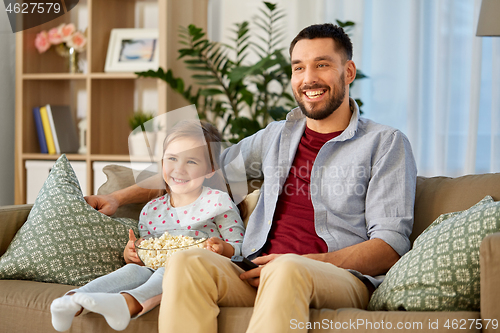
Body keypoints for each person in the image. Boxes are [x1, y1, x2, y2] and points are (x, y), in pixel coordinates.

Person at [85, 23, 417, 333]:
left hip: (339, 277)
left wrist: (302, 261)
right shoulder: (275, 137)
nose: (308, 78)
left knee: (286, 269)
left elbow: (389, 246)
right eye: (298, 67)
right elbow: (195, 167)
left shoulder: (384, 143)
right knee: (186, 262)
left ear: (348, 72)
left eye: (322, 65)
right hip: (252, 270)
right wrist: (118, 197)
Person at [50, 120, 245, 332]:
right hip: (156, 270)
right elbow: (147, 259)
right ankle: (74, 300)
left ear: (210, 170)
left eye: (191, 162)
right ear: (161, 163)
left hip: (198, 271)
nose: (179, 169)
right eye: (172, 159)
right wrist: (132, 254)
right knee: (134, 270)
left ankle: (127, 303)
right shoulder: (151, 210)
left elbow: (241, 247)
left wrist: (222, 248)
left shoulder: (218, 202)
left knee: (170, 269)